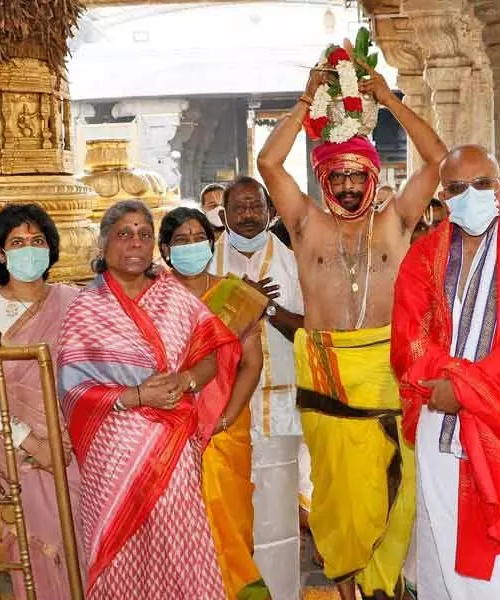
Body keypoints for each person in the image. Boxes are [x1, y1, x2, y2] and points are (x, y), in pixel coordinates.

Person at [257, 54, 447, 599]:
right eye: (335, 177)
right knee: (341, 493)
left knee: (400, 484)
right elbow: (271, 165)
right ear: (323, 180)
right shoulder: (304, 223)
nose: (344, 186)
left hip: (389, 364)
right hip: (327, 368)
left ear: (372, 175)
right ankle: (348, 587)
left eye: (355, 175)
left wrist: (389, 100)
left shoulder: (396, 222)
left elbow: (436, 159)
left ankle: (383, 583)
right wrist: (303, 102)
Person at [391, 145, 500, 599]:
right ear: (443, 197)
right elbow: (409, 340)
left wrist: (462, 390)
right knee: (441, 544)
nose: (472, 195)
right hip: (436, 418)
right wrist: (443, 389)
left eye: (482, 184)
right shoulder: (423, 256)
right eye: (458, 188)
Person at [57, 200, 241, 599]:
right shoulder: (87, 306)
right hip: (112, 451)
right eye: (124, 233)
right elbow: (72, 386)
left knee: (180, 543)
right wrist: (135, 396)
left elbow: (211, 351)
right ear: (104, 244)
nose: (135, 243)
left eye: (144, 234)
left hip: (171, 446)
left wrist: (188, 380)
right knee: (121, 547)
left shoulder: (174, 296)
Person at [0, 203, 85, 600]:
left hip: (77, 446)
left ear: (50, 248)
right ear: (1, 253)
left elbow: (95, 375)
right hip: (19, 451)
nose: (28, 248)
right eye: (17, 242)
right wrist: (33, 443)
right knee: (37, 550)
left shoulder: (75, 301)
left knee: (84, 542)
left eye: (37, 240)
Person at [206, 177, 311, 600]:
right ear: (224, 214)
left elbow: (311, 330)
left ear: (270, 211)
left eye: (255, 206)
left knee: (278, 517)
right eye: (239, 207)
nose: (248, 214)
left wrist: (268, 308)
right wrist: (238, 302)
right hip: (223, 413)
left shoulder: (293, 261)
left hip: (279, 410)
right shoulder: (206, 264)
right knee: (226, 514)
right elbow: (194, 337)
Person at [160, 206, 271, 600]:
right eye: (181, 240)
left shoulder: (236, 294)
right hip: (171, 433)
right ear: (165, 250)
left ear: (212, 244)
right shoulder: (155, 300)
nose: (191, 246)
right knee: (177, 535)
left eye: (198, 239)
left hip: (225, 430)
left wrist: (223, 419)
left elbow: (251, 364)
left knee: (232, 531)